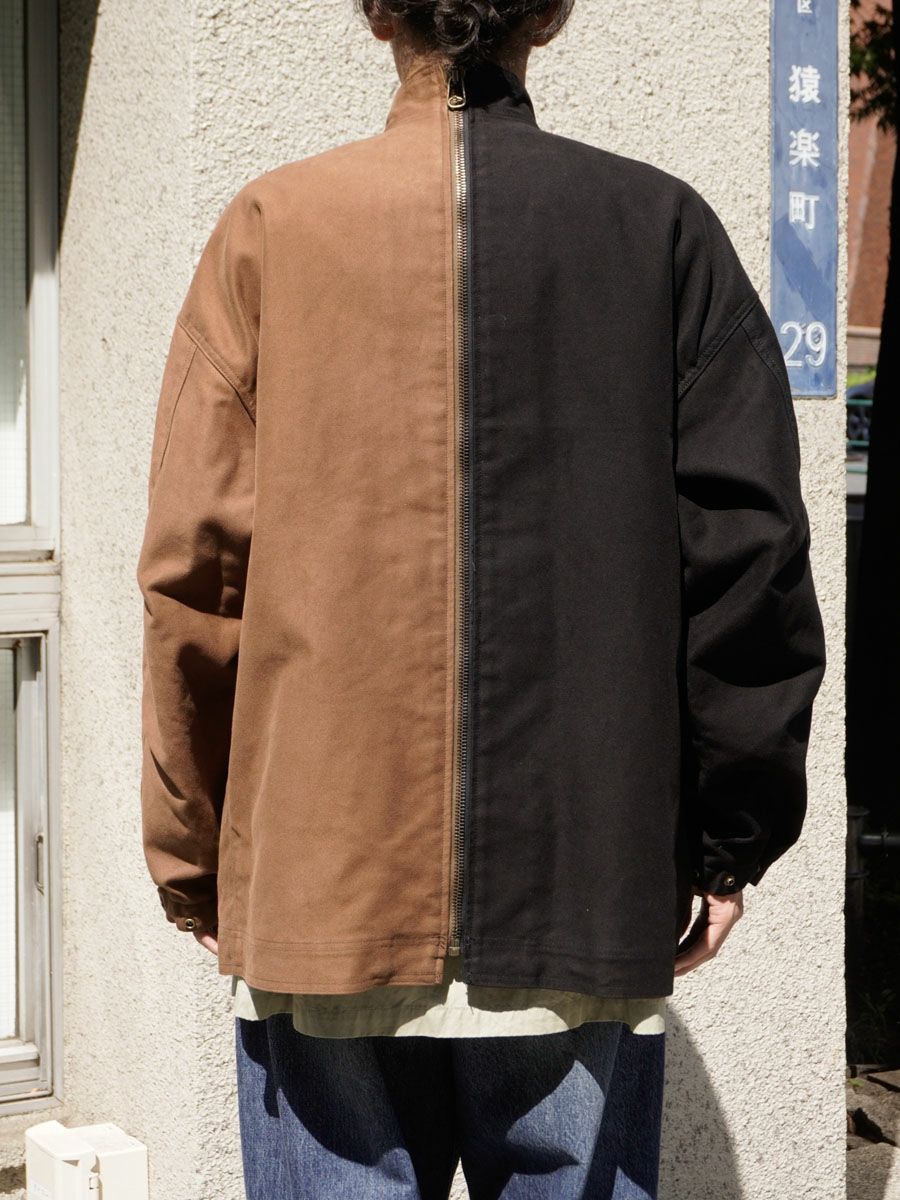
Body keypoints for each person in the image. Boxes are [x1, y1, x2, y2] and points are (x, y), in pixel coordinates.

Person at [134, 1, 827, 1196]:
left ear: (376, 15)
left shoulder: (273, 229)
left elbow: (192, 579)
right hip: (583, 882)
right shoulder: (660, 229)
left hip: (323, 886)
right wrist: (730, 844)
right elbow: (748, 561)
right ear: (548, 16)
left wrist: (194, 855)